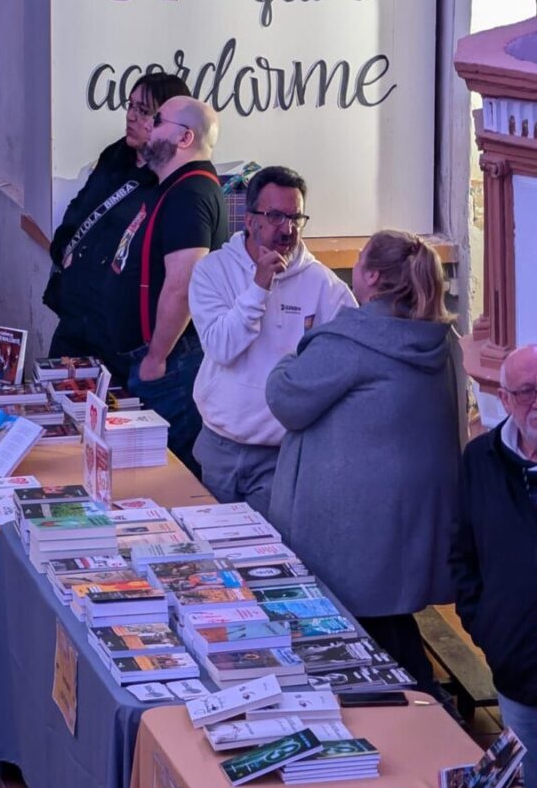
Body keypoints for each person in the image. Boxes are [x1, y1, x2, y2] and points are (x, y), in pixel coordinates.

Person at [265, 230, 464, 691]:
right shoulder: (439, 336)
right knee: (392, 626)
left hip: (355, 527)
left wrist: (292, 352)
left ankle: (430, 723)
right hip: (413, 521)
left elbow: (286, 398)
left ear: (371, 275)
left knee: (369, 642)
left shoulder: (351, 339)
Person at [189, 165, 356, 518]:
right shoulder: (212, 271)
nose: (288, 228)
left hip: (282, 454)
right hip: (220, 444)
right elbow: (221, 347)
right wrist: (258, 288)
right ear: (250, 221)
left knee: (266, 560)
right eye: (276, 216)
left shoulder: (324, 286)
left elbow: (349, 360)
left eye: (296, 217)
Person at [105, 96, 227, 475]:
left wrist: (156, 358)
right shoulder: (175, 188)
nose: (147, 126)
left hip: (173, 363)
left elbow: (182, 282)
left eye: (157, 120)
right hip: (161, 358)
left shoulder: (190, 194)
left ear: (185, 138)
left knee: (163, 474)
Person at [45, 72, 189, 361]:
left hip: (118, 327)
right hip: (75, 311)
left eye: (144, 111)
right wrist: (62, 250)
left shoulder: (172, 180)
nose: (131, 117)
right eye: (130, 105)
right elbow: (81, 206)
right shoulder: (115, 154)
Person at [449, 344, 537, 788]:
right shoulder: (480, 460)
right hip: (518, 670)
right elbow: (463, 555)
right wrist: (488, 630)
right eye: (526, 392)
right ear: (504, 399)